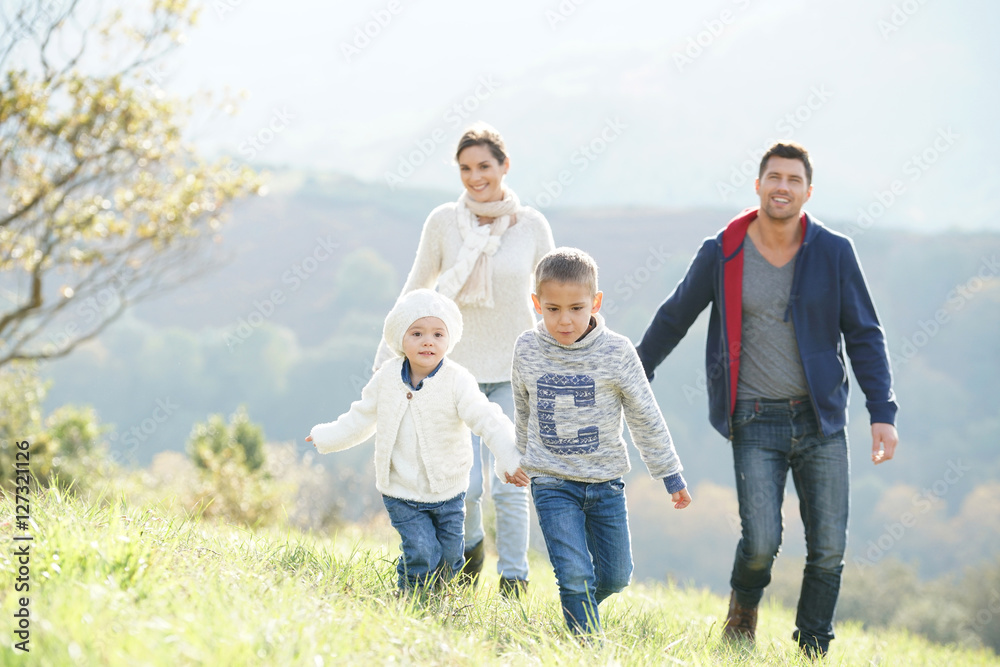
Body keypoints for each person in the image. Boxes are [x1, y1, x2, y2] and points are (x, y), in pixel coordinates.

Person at [635, 142, 899, 657]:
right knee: (760, 545)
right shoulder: (724, 249)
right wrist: (633, 374)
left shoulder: (834, 252)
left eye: (793, 179)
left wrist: (882, 412)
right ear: (757, 185)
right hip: (754, 420)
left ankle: (812, 647)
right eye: (773, 177)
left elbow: (865, 334)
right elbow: (674, 317)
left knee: (828, 549)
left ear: (808, 191)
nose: (782, 186)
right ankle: (742, 615)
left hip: (821, 421)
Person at [373, 122, 554, 596]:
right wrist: (385, 357)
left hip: (517, 374)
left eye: (484, 167)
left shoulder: (532, 226)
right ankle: (471, 549)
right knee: (465, 487)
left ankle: (514, 580)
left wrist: (569, 362)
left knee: (511, 482)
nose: (475, 177)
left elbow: (554, 298)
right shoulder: (442, 223)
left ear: (504, 166)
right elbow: (417, 289)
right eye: (465, 169)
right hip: (452, 375)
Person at [511, 247, 692, 635]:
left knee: (615, 577)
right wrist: (520, 458)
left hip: (606, 484)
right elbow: (523, 406)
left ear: (595, 302)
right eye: (553, 309)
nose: (564, 320)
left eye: (576, 308)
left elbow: (645, 415)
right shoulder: (526, 348)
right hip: (551, 482)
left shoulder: (618, 352)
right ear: (536, 304)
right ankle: (585, 647)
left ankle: (576, 614)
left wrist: (670, 474)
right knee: (574, 576)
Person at [309, 289, 529, 593]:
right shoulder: (386, 379)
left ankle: (433, 595)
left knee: (451, 559)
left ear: (449, 340)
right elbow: (360, 418)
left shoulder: (457, 380)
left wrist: (509, 457)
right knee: (423, 552)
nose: (428, 341)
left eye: (438, 334)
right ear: (400, 339)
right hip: (402, 492)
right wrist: (326, 436)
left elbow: (487, 418)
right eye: (417, 333)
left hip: (449, 492)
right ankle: (411, 600)